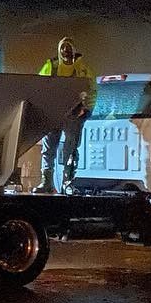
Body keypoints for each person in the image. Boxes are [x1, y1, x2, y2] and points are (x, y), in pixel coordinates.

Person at [36, 36, 96, 193]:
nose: (65, 52)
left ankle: (67, 182)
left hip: (73, 115)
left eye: (68, 48)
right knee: (48, 149)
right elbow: (38, 86)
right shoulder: (51, 66)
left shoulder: (83, 69)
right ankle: (46, 182)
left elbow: (91, 90)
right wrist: (42, 108)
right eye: (63, 48)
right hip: (53, 113)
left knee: (71, 149)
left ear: (74, 50)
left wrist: (85, 110)